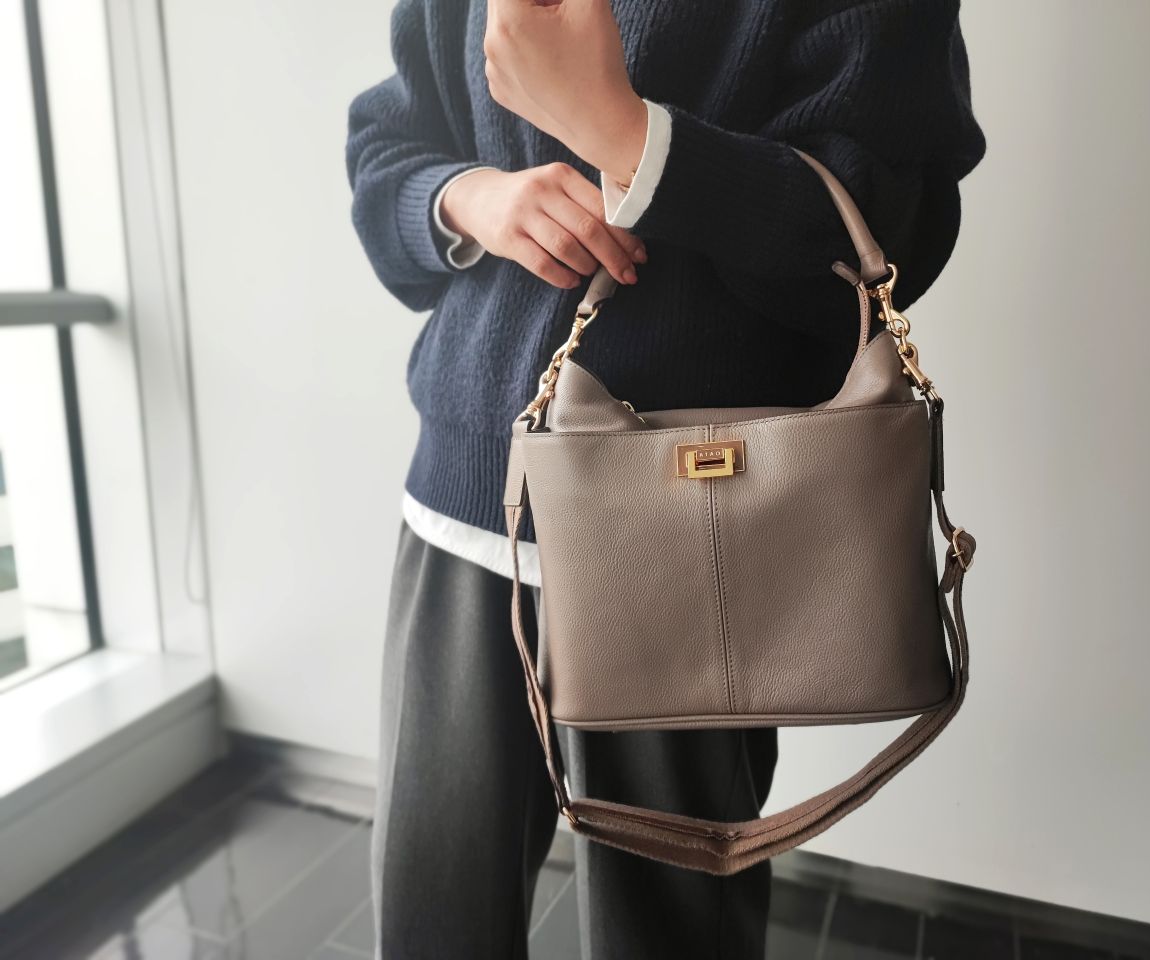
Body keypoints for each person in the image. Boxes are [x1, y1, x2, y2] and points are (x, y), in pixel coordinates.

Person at [345, 0, 984, 956]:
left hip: (694, 528)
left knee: (674, 927)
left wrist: (631, 140)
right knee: (431, 912)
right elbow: (384, 147)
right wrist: (468, 198)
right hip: (464, 509)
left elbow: (887, 224)